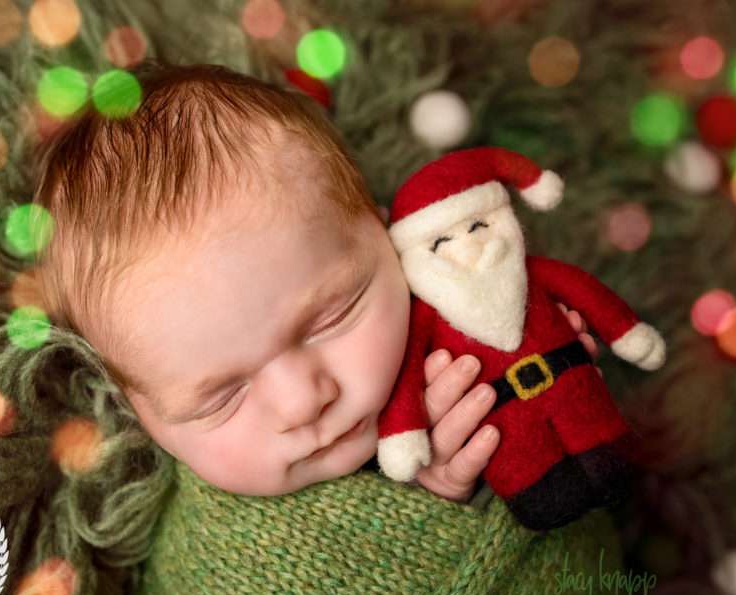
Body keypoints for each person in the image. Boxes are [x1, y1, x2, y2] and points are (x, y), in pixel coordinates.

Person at [32, 60, 599, 505]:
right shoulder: (190, 524)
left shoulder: (458, 329)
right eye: (219, 399)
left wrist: (490, 456)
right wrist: (429, 501)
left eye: (331, 317)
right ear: (136, 408)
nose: (303, 403)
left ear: (383, 231)